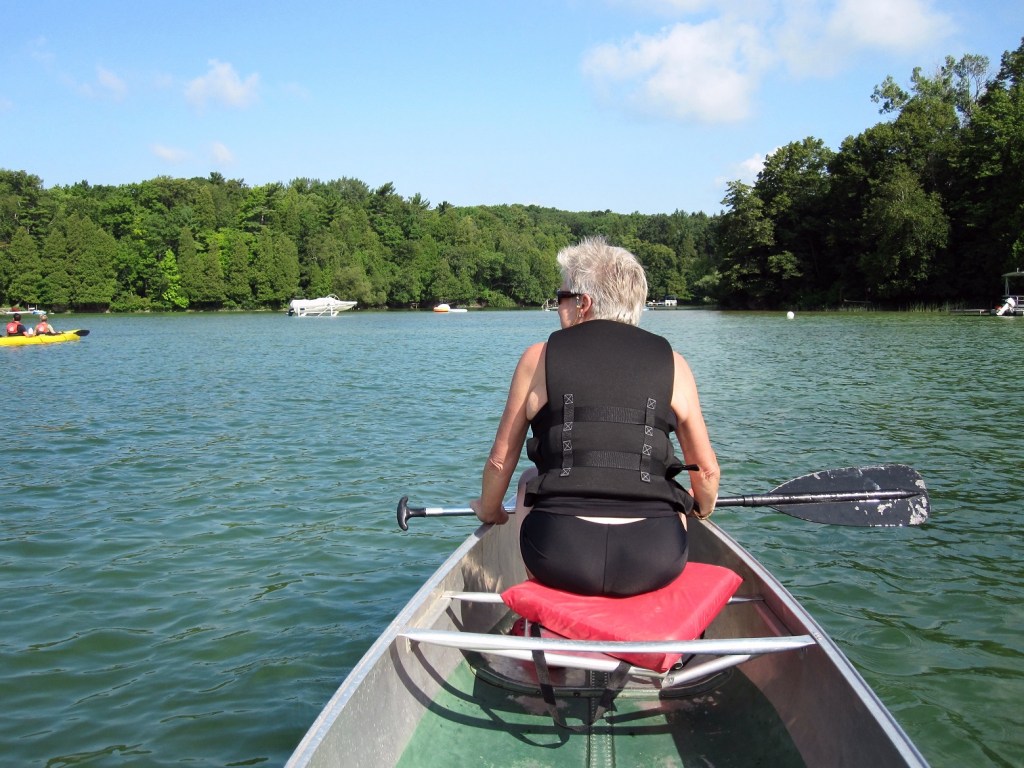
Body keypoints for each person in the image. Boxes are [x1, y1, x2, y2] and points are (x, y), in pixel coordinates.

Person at [471, 237, 719, 597]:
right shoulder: (675, 363)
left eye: (561, 297)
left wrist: (489, 510)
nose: (557, 307)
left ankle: (545, 610)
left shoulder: (537, 358)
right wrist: (702, 508)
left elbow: (499, 462)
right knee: (674, 494)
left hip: (558, 553)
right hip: (655, 557)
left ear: (583, 304)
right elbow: (706, 473)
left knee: (528, 480)